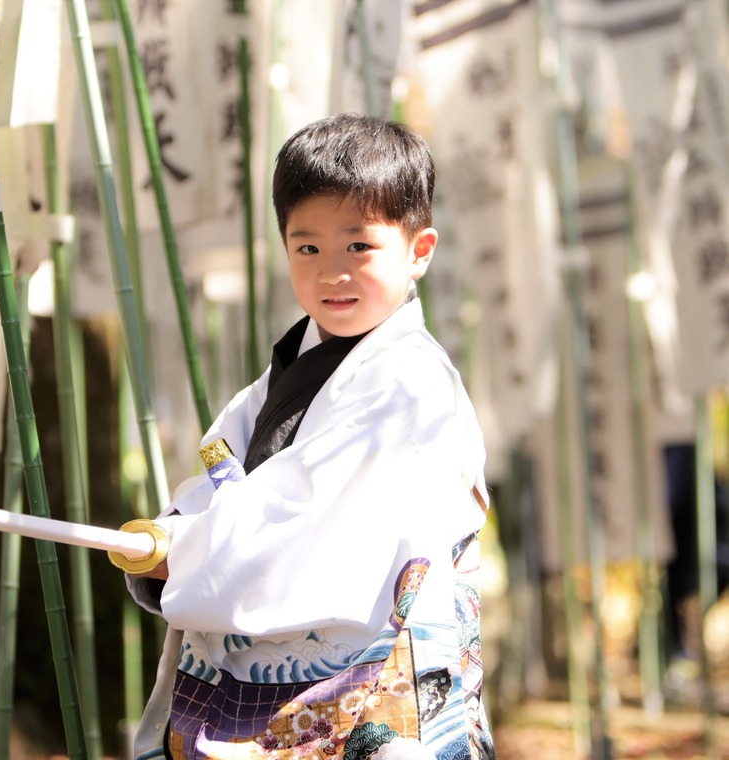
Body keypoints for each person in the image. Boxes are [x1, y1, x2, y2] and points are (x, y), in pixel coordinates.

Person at [124, 113, 495, 760]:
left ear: (420, 251)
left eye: (358, 247)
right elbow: (221, 464)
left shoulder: (410, 382)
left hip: (369, 683)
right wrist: (174, 528)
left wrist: (182, 551)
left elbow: (308, 517)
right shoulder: (280, 374)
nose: (332, 272)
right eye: (308, 248)